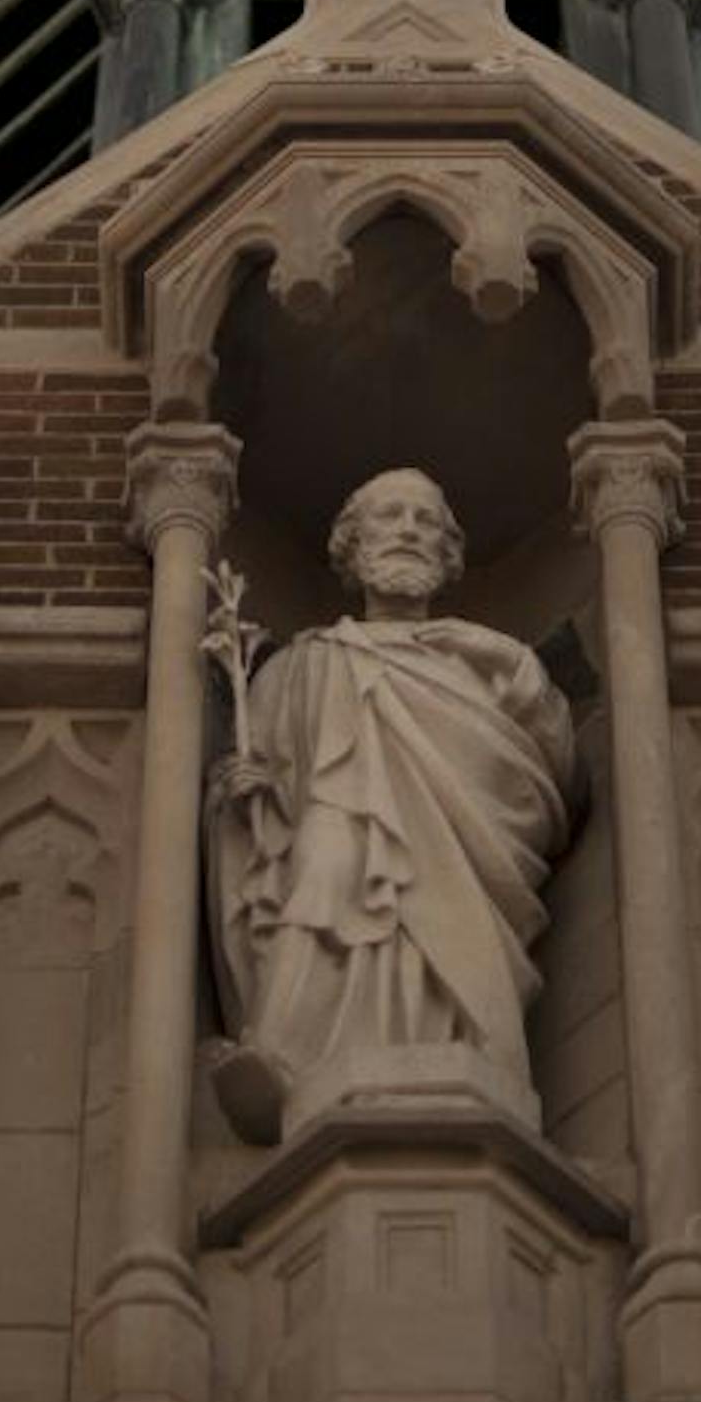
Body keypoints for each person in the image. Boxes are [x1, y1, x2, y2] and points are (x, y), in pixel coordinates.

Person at [205, 468, 582, 1143]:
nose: (408, 529)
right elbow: (262, 793)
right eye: (389, 516)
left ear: (449, 552)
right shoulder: (304, 662)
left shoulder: (485, 666)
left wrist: (514, 667)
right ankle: (283, 1055)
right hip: (334, 840)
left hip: (463, 874)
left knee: (429, 927)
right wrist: (242, 794)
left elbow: (556, 774)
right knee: (325, 865)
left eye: (426, 519)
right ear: (351, 545)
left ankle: (467, 1055)